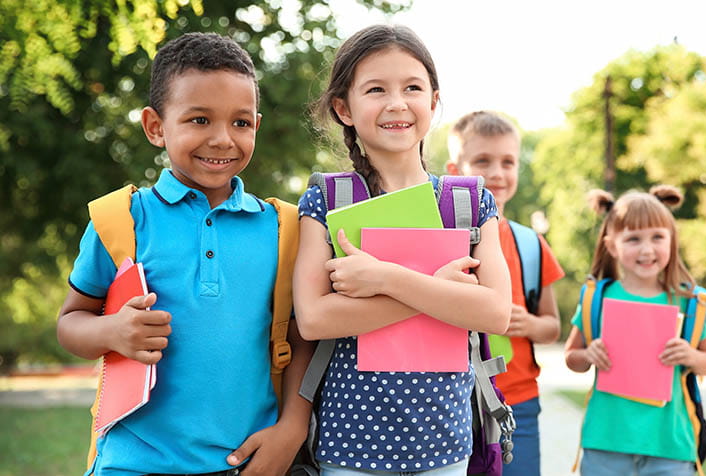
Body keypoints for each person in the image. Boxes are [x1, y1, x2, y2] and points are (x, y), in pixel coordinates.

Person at [57, 32, 312, 476]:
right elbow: (70, 324)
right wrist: (113, 330)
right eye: (199, 120)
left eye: (241, 122)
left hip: (247, 460)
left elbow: (300, 336)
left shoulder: (284, 228)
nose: (222, 140)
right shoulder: (120, 219)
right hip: (132, 462)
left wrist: (292, 426)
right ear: (156, 126)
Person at [293, 24, 512, 475]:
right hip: (349, 445)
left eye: (412, 87)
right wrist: (439, 292)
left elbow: (494, 313)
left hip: (446, 444)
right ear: (343, 108)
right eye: (375, 89)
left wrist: (387, 279)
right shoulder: (326, 201)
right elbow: (314, 318)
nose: (396, 103)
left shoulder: (468, 203)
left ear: (433, 101)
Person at [564, 186, 706, 476]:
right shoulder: (596, 298)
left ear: (672, 241)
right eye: (634, 239)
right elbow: (572, 356)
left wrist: (690, 356)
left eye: (657, 237)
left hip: (670, 446)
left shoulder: (689, 303)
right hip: (605, 444)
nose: (647, 250)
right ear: (612, 246)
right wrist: (588, 353)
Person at [446, 111, 564, 476]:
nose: (496, 173)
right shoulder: (441, 239)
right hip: (454, 401)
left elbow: (552, 328)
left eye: (508, 162)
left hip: (518, 402)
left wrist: (528, 322)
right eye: (483, 161)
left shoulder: (531, 244)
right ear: (454, 170)